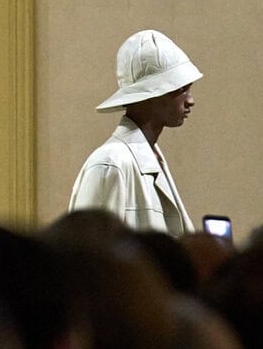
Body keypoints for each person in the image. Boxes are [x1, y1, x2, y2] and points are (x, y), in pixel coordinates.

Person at [68, 31, 202, 236]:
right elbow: (89, 257)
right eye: (180, 89)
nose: (190, 100)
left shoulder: (151, 158)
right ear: (150, 95)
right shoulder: (111, 164)